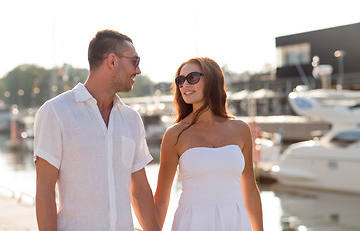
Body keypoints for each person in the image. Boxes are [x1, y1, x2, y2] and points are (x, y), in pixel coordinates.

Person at [34, 30, 160, 231]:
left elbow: (140, 190)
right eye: (134, 62)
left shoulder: (131, 119)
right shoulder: (55, 112)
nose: (138, 70)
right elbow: (45, 189)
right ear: (112, 61)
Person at [154, 57, 264, 231]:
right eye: (180, 80)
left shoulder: (240, 129)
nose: (184, 85)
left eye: (192, 77)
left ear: (213, 80)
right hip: (191, 224)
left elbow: (250, 189)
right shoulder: (175, 134)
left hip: (236, 223)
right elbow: (161, 197)